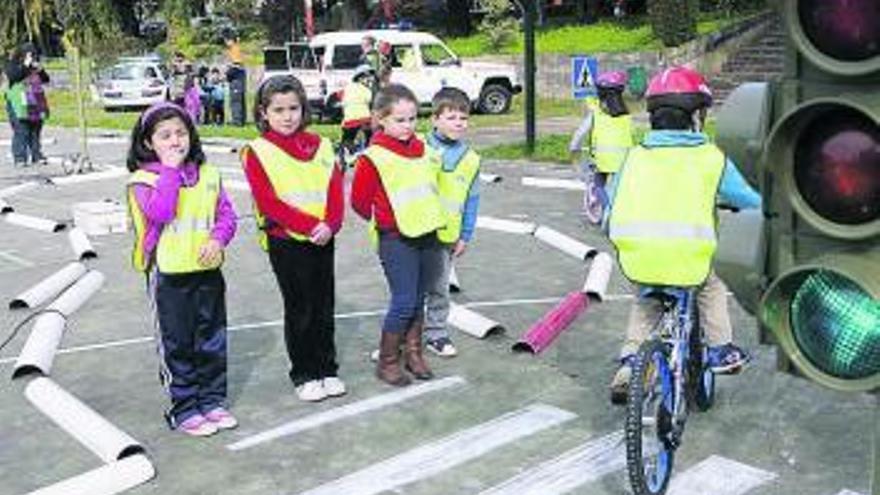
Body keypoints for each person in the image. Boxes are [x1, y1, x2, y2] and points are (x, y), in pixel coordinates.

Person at [605, 66, 760, 405]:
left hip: (639, 257)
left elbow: (609, 211)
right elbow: (751, 200)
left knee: (646, 303)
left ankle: (631, 366)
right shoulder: (711, 159)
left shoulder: (632, 159)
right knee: (712, 284)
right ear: (696, 118)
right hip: (691, 262)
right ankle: (721, 350)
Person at [125, 102, 238, 436]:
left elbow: (227, 216)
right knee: (178, 343)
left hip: (207, 272)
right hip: (169, 277)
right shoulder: (143, 180)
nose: (175, 141)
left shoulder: (209, 174)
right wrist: (171, 171)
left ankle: (212, 400)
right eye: (165, 136)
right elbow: (160, 213)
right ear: (148, 143)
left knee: (212, 339)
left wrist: (218, 240)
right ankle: (184, 407)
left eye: (181, 132)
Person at [241, 75, 345, 402]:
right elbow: (268, 201)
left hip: (323, 237)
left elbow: (334, 189)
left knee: (324, 306)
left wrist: (330, 224)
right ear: (263, 113)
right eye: (278, 110)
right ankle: (304, 372)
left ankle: (327, 368)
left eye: (294, 108)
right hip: (287, 240)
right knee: (300, 308)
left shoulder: (323, 145)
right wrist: (309, 225)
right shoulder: (257, 151)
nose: (287, 116)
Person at [350, 83, 445, 386]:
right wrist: (387, 219)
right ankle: (388, 360)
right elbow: (360, 203)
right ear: (381, 119)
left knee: (419, 298)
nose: (407, 126)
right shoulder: (372, 157)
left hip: (428, 234)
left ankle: (414, 354)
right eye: (399, 120)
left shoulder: (426, 151)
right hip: (396, 239)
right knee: (404, 301)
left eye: (412, 119)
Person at [423, 87, 481, 358]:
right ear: (435, 119)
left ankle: (436, 334)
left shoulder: (470, 159)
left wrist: (465, 235)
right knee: (407, 291)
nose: (459, 122)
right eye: (451, 117)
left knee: (439, 288)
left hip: (447, 236)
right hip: (414, 232)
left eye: (463, 117)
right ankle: (399, 337)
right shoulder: (417, 148)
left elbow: (472, 200)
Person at [569, 70, 633, 225]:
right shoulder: (626, 116)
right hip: (625, 159)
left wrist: (574, 148)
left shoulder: (597, 114)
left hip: (603, 160)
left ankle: (609, 213)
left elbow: (580, 135)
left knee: (598, 184)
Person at [3, 43, 50, 167]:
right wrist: (25, 65)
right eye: (30, 55)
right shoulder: (12, 64)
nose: (32, 57)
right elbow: (14, 76)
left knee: (35, 130)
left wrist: (40, 69)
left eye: (34, 55)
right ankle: (19, 157)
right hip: (17, 104)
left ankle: (36, 155)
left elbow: (46, 79)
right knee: (21, 130)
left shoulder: (34, 66)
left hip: (35, 102)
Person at [340, 64, 376, 162]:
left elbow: (343, 101)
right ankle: (369, 153)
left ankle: (346, 152)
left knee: (347, 137)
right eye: (367, 78)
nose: (370, 80)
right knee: (370, 135)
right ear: (360, 79)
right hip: (365, 119)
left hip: (349, 120)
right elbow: (369, 100)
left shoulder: (348, 88)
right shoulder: (366, 90)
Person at [225, 36, 247, 126]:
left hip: (237, 79)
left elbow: (236, 66)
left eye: (226, 40)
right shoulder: (236, 48)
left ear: (231, 40)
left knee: (236, 101)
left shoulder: (235, 49)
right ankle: (241, 120)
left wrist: (226, 75)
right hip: (239, 78)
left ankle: (237, 121)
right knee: (240, 100)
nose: (226, 43)